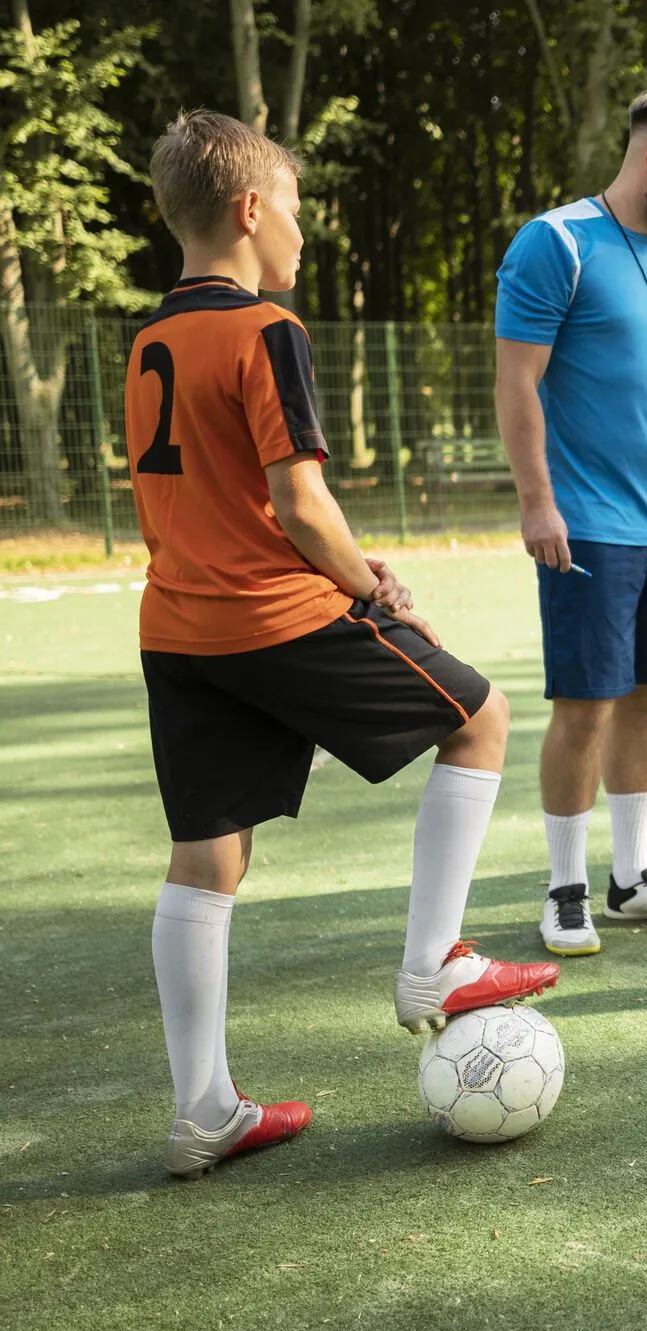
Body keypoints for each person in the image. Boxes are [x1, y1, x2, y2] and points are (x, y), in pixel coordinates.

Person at [131, 112, 557, 1177]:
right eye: (296, 211)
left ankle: (203, 1112)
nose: (304, 235)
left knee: (208, 854)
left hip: (177, 631)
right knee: (481, 716)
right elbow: (302, 502)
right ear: (248, 211)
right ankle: (432, 966)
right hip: (273, 615)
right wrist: (373, 586)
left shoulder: (149, 339)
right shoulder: (266, 329)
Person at [495, 85, 647, 956]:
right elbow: (517, 381)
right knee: (585, 704)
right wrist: (538, 502)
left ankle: (633, 878)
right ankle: (565, 889)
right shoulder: (555, 243)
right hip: (588, 524)